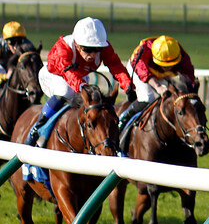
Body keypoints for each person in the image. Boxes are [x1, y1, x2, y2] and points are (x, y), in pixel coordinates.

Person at [25, 17, 132, 146]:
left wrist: (128, 85)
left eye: (97, 49)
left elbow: (116, 66)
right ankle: (36, 128)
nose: (93, 55)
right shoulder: (63, 47)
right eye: (87, 49)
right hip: (54, 76)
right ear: (77, 44)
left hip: (79, 78)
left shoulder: (104, 48)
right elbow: (68, 74)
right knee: (65, 91)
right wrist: (82, 86)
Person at [118, 35, 197, 142]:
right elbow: (143, 72)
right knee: (148, 98)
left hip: (159, 73)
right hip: (138, 69)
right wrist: (157, 87)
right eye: (164, 65)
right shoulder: (144, 51)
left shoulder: (181, 55)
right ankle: (123, 119)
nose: (168, 67)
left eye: (171, 64)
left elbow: (188, 75)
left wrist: (190, 95)